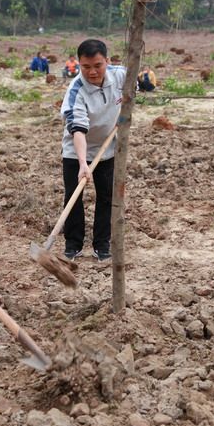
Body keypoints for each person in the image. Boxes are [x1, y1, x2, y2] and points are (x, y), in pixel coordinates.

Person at [59, 39, 125, 262]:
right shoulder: (76, 90)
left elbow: (135, 87)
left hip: (108, 147)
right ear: (79, 64)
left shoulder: (120, 74)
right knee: (73, 197)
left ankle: (102, 245)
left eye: (98, 65)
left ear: (107, 61)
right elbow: (78, 130)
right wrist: (82, 164)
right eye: (86, 67)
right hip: (76, 149)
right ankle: (73, 244)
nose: (92, 72)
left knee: (106, 196)